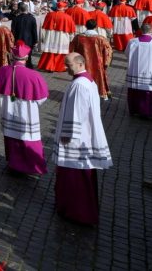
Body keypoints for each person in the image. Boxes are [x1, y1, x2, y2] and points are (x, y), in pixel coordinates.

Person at [53, 53, 112, 225]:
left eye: (68, 64)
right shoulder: (88, 80)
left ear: (80, 64)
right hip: (83, 134)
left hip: (76, 140)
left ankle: (77, 211)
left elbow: (76, 113)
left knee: (75, 176)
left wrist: (68, 135)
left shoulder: (79, 84)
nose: (65, 68)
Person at [0, 42, 50, 176]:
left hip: (9, 111)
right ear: (27, 57)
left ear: (12, 56)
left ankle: (14, 164)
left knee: (12, 138)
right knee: (29, 140)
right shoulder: (34, 75)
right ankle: (33, 168)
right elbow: (42, 99)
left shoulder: (3, 70)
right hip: (27, 114)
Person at [68, 19, 113, 100]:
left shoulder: (78, 37)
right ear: (96, 27)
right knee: (97, 78)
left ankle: (80, 94)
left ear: (85, 26)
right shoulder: (101, 38)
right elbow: (108, 50)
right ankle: (98, 93)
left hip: (81, 63)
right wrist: (106, 62)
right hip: (97, 64)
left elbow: (71, 49)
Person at [37, 1, 75, 72]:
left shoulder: (49, 15)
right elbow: (71, 30)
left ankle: (49, 66)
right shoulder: (68, 17)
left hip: (51, 36)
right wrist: (71, 38)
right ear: (64, 8)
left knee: (50, 51)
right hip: (62, 37)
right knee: (60, 51)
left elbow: (45, 26)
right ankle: (59, 67)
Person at [9, 2, 38, 69]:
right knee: (28, 55)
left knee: (18, 54)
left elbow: (12, 31)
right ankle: (29, 66)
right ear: (27, 9)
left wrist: (12, 40)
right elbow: (34, 31)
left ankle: (19, 66)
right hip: (29, 39)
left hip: (18, 39)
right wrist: (35, 40)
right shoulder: (32, 18)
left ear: (20, 10)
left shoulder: (15, 19)